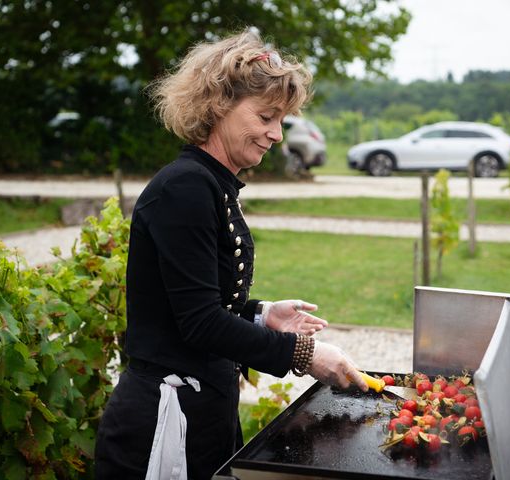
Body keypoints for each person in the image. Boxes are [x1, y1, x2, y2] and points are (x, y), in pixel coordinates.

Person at [94, 30, 368, 480]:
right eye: (266, 116)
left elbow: (194, 300)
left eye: (282, 120)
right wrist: (304, 353)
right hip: (165, 426)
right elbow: (200, 322)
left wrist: (261, 315)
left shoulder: (212, 184)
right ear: (218, 105)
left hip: (202, 413)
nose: (276, 134)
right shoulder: (185, 188)